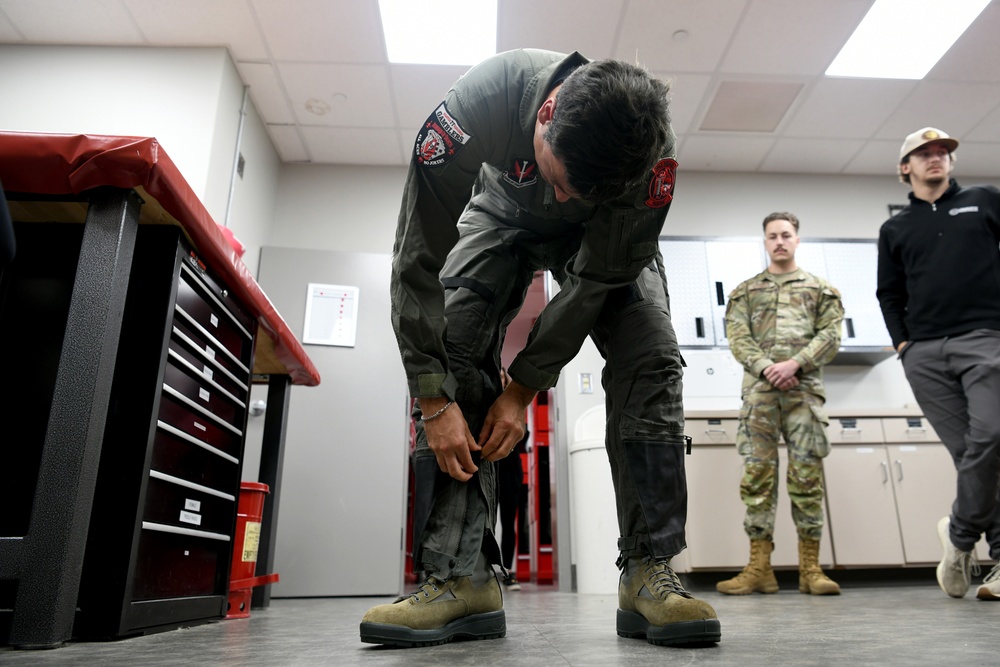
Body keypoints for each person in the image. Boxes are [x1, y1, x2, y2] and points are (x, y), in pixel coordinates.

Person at [359, 48, 720, 648]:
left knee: (651, 353)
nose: (566, 202)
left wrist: (524, 388)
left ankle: (649, 573)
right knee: (455, 341)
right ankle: (460, 578)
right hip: (501, 213)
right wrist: (432, 400)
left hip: (603, 246)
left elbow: (598, 279)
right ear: (546, 113)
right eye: (561, 181)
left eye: (585, 194)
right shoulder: (475, 109)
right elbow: (415, 259)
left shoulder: (650, 155)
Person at [876, 127, 1000, 601]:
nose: (935, 159)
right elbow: (889, 293)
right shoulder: (896, 228)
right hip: (924, 353)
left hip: (984, 339)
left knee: (989, 438)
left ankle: (960, 536)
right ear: (905, 167)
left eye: (942, 152)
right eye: (923, 154)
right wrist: (904, 345)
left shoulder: (985, 201)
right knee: (973, 455)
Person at [716, 212, 844, 597]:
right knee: (757, 479)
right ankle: (760, 568)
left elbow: (830, 335)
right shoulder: (745, 291)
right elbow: (738, 338)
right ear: (765, 241)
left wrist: (795, 364)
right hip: (760, 398)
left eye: (786, 235)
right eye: (772, 236)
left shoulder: (821, 290)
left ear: (797, 240)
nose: (779, 241)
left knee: (807, 480)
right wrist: (768, 368)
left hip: (804, 394)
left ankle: (811, 569)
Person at [496, 368, 526, 592]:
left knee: (508, 521)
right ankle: (481, 574)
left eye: (501, 374)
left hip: (510, 469)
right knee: (482, 519)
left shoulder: (515, 406)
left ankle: (508, 571)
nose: (498, 377)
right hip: (485, 465)